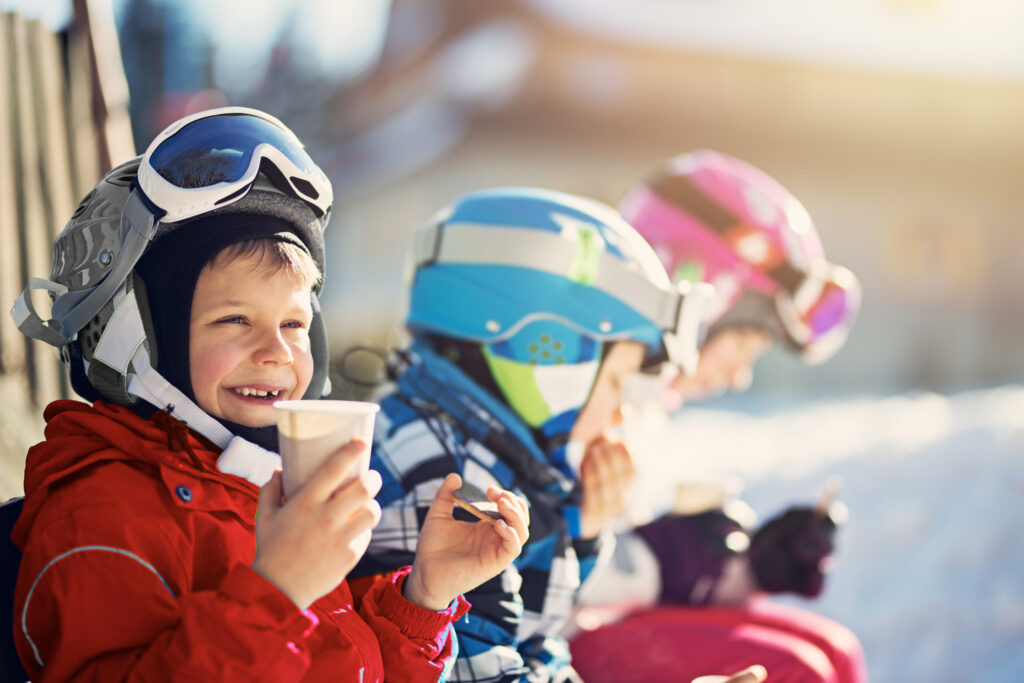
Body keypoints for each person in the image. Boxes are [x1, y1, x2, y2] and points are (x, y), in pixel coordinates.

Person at [8, 108, 529, 682]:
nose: (276, 351)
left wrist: (425, 596)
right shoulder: (105, 518)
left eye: (295, 324)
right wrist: (276, 594)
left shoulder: (255, 483)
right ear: (139, 336)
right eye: (234, 319)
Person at [350, 187, 711, 681]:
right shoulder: (449, 486)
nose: (620, 411)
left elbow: (524, 637)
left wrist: (578, 535)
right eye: (615, 382)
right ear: (548, 353)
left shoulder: (466, 448)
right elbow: (493, 668)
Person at [569, 150, 868, 683]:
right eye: (746, 346)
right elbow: (543, 572)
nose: (739, 377)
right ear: (702, 296)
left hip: (588, 630)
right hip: (545, 647)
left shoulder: (639, 406)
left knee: (835, 652)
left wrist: (748, 565)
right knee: (797, 672)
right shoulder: (583, 395)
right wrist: (665, 559)